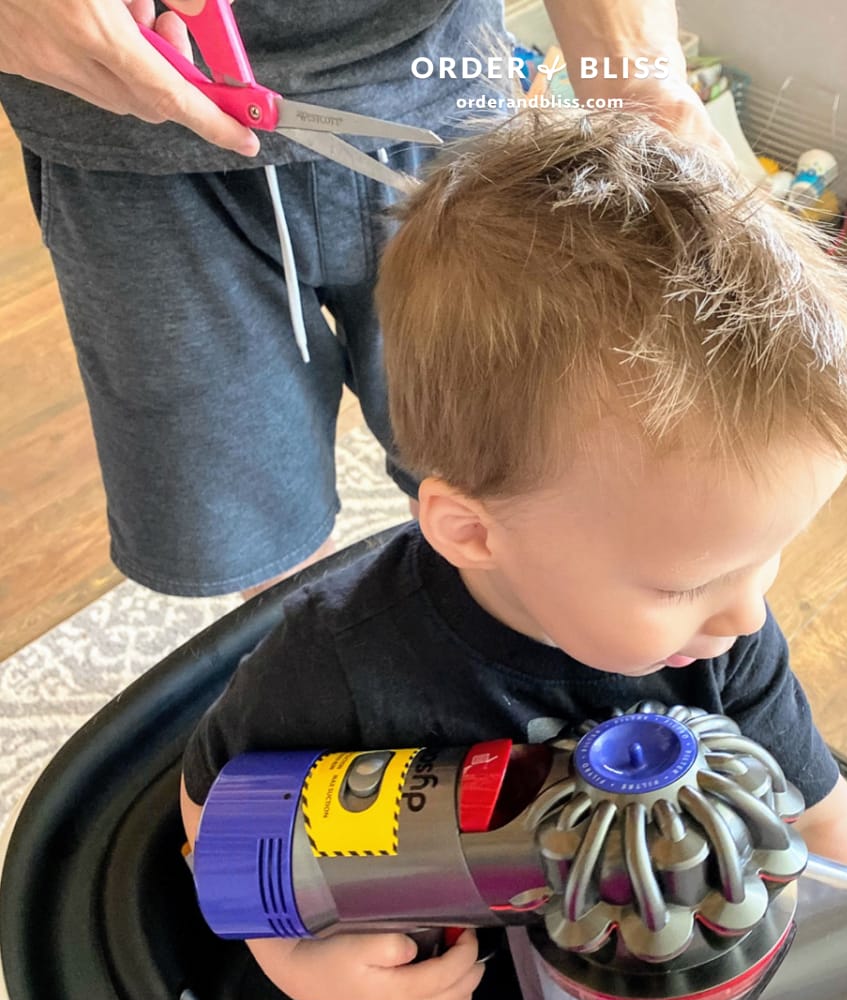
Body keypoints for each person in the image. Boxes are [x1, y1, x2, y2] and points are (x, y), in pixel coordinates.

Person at [178, 111, 847, 1000]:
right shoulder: (341, 659)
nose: (746, 612)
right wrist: (310, 972)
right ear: (472, 529)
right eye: (683, 581)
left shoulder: (723, 633)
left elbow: (826, 829)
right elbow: (216, 824)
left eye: (767, 560)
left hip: (733, 988)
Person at [0, 0, 725, 597]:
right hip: (118, 123)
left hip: (445, 94)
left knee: (510, 481)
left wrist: (638, 81)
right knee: (259, 531)